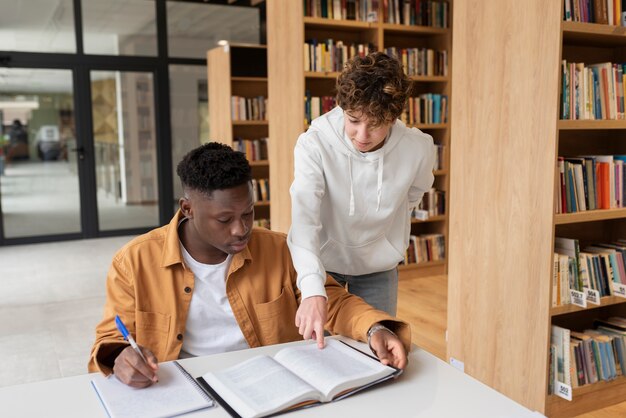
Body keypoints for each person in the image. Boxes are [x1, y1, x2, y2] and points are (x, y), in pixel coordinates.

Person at [89, 142, 410, 388]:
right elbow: (111, 339)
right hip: (185, 389)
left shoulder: (281, 249)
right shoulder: (133, 263)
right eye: (225, 219)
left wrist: (374, 328)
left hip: (269, 387)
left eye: (248, 214)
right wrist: (120, 358)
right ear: (187, 208)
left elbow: (333, 302)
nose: (240, 229)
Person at [288, 52, 436, 347]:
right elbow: (304, 220)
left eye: (376, 123)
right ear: (342, 108)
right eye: (353, 120)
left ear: (393, 118)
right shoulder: (314, 143)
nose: (362, 134)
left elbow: (414, 194)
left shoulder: (418, 147)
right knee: (321, 352)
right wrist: (312, 288)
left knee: (377, 349)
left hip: (379, 267)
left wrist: (387, 228)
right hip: (323, 265)